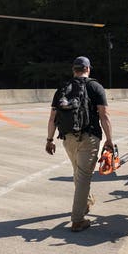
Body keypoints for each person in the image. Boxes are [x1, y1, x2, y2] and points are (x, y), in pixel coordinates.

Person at [45, 56, 113, 232]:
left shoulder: (63, 88)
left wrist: (49, 140)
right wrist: (109, 140)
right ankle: (77, 219)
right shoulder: (95, 86)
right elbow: (104, 116)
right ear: (88, 69)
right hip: (89, 138)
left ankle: (87, 200)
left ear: (73, 70)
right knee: (83, 177)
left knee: (77, 173)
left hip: (67, 138)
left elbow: (53, 117)